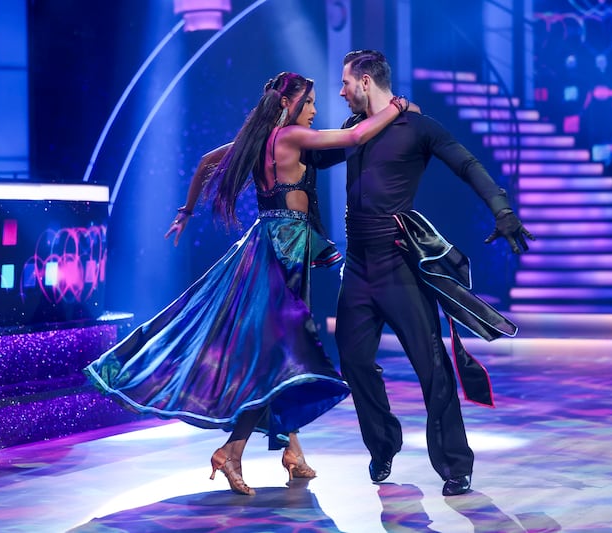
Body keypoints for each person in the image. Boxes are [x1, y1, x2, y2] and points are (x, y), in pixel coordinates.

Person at [84, 71, 414, 496]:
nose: (314, 109)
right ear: (289, 105)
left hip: (269, 241)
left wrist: (186, 212)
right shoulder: (289, 138)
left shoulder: (258, 141)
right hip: (286, 249)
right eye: (309, 101)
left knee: (282, 353)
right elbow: (355, 139)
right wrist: (397, 108)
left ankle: (292, 451)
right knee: (279, 354)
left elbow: (206, 163)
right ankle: (231, 451)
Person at [333, 50, 535, 497]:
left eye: (345, 82)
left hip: (398, 264)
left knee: (432, 366)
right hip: (359, 267)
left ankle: (455, 465)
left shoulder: (419, 128)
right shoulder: (351, 131)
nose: (341, 91)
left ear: (366, 82)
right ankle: (383, 443)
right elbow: (306, 155)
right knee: (352, 360)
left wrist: (502, 210)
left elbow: (467, 164)